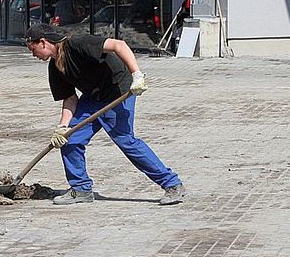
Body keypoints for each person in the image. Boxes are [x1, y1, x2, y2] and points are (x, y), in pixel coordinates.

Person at [24, 23, 185, 206]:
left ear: (43, 42)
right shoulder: (55, 68)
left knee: (126, 141)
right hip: (93, 98)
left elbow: (119, 45)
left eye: (33, 49)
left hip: (119, 91)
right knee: (70, 139)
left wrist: (137, 75)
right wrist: (62, 127)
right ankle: (81, 189)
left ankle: (172, 185)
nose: (33, 55)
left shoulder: (78, 43)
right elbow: (70, 99)